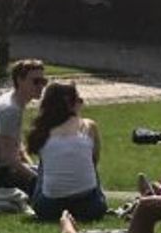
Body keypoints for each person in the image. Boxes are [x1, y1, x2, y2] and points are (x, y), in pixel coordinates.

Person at [26, 80, 108, 222]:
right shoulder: (88, 126)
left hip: (49, 209)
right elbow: (94, 161)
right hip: (91, 208)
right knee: (88, 163)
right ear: (69, 102)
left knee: (44, 165)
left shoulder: (41, 131)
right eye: (79, 99)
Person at [0, 58, 46, 192]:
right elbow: (8, 159)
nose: (41, 86)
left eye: (43, 82)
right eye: (36, 81)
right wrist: (36, 179)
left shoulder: (12, 101)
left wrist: (33, 168)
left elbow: (18, 148)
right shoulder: (10, 110)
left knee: (48, 175)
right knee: (53, 185)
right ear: (20, 80)